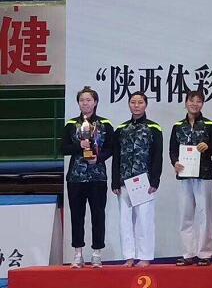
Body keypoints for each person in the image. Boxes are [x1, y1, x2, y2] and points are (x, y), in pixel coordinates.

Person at [62, 86, 114, 268]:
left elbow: (111, 148)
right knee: (77, 215)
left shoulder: (105, 124)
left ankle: (97, 253)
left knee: (98, 214)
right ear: (78, 103)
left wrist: (98, 158)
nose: (85, 103)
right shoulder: (71, 124)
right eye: (82, 100)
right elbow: (63, 148)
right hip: (76, 178)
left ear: (95, 102)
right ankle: (78, 253)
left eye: (89, 100)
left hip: (97, 177)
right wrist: (79, 146)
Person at [111, 92, 163, 267]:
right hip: (124, 180)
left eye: (140, 102)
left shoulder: (153, 128)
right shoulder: (121, 129)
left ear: (146, 105)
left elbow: (157, 155)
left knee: (144, 219)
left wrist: (155, 180)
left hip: (144, 181)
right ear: (129, 105)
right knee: (125, 221)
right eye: (133, 102)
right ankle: (129, 256)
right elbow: (116, 156)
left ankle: (145, 255)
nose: (136, 105)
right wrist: (115, 181)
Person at [169, 90, 212, 266]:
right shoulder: (178, 126)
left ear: (202, 104)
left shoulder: (210, 125)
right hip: (185, 175)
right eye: (191, 100)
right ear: (186, 102)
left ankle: (205, 254)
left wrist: (208, 147)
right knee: (185, 215)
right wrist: (175, 163)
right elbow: (173, 150)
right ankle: (187, 253)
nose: (194, 104)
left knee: (205, 215)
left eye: (198, 101)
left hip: (204, 175)